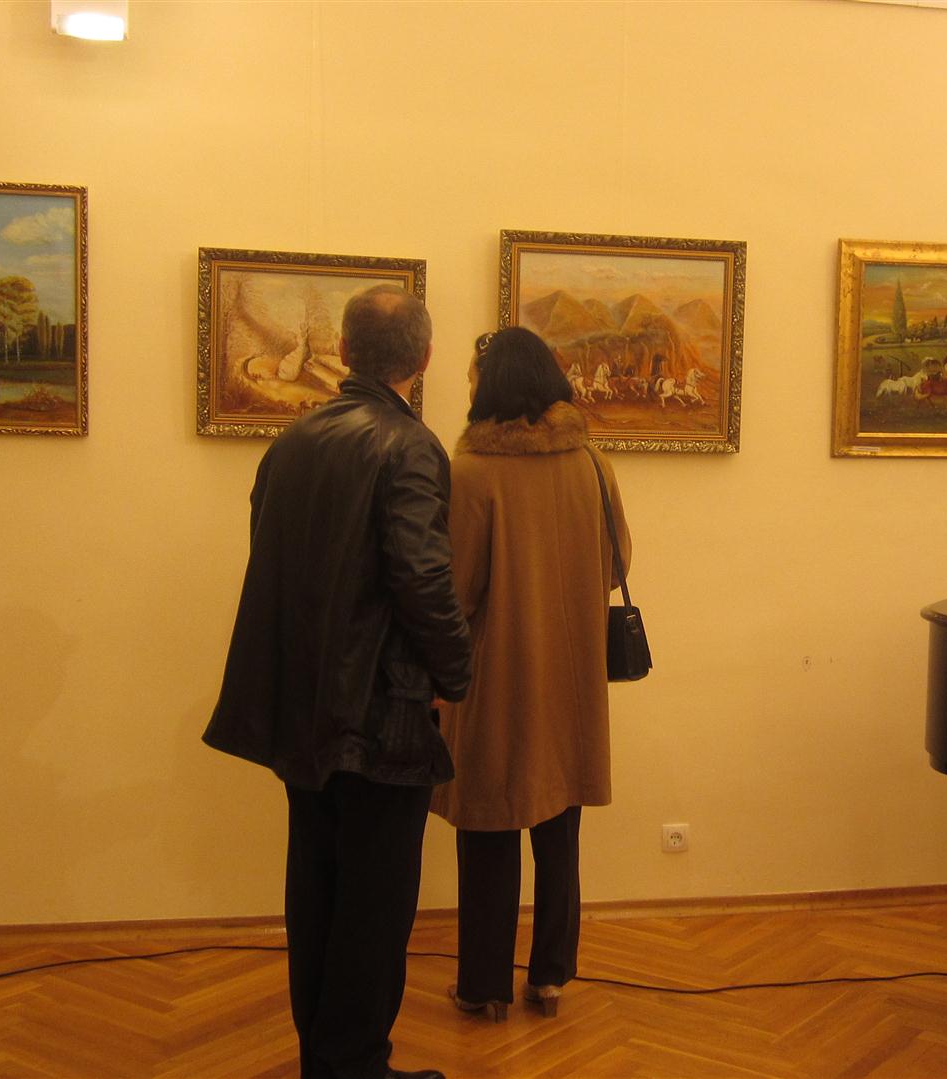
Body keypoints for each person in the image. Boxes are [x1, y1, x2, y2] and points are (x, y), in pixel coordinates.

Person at [203, 284, 470, 1079]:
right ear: (425, 358)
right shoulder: (409, 447)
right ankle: (354, 1063)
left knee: (316, 889)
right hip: (380, 711)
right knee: (375, 904)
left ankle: (325, 1058)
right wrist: (457, 672)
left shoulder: (292, 442)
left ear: (346, 351)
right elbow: (422, 578)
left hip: (302, 703)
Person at [432, 327, 632, 1022]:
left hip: (495, 678)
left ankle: (484, 986)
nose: (467, 383)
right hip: (572, 679)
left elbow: (454, 588)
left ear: (492, 383)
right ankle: (549, 977)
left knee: (488, 831)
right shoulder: (594, 464)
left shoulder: (471, 472)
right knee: (559, 833)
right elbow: (618, 563)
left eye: (472, 374)